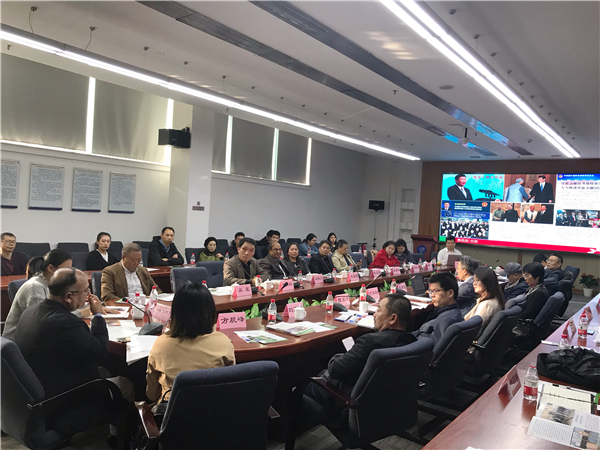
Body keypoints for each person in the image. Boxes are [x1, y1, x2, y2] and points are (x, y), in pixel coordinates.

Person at [14, 268, 133, 440]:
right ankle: (119, 437)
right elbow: (100, 353)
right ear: (68, 296)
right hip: (61, 401)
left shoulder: (31, 311)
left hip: (37, 392)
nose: (88, 296)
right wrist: (97, 315)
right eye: (85, 291)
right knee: (127, 383)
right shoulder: (65, 323)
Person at [304, 294, 415, 413]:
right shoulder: (412, 341)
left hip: (354, 402)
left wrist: (339, 356)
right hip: (390, 402)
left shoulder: (369, 342)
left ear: (393, 319)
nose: (374, 314)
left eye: (378, 310)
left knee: (304, 384)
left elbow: (335, 369)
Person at [146, 283, 235, 404]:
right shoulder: (223, 342)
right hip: (215, 409)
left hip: (173, 412)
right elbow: (230, 385)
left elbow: (152, 393)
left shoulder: (161, 344)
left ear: (175, 313)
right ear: (210, 312)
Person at [3, 249, 73, 341]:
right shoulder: (35, 287)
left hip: (34, 336)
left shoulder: (51, 283)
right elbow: (41, 322)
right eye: (65, 269)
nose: (69, 273)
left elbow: (57, 311)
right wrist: (79, 313)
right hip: (18, 342)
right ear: (50, 268)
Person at [414, 272, 462, 345]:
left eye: (436, 291)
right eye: (431, 291)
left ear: (450, 293)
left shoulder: (447, 321)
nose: (432, 295)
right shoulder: (451, 313)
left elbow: (429, 347)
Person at [464, 266, 504, 335]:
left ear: (487, 282)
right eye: (474, 280)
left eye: (478, 280)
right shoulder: (496, 299)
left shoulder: (486, 305)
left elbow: (474, 330)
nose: (474, 283)